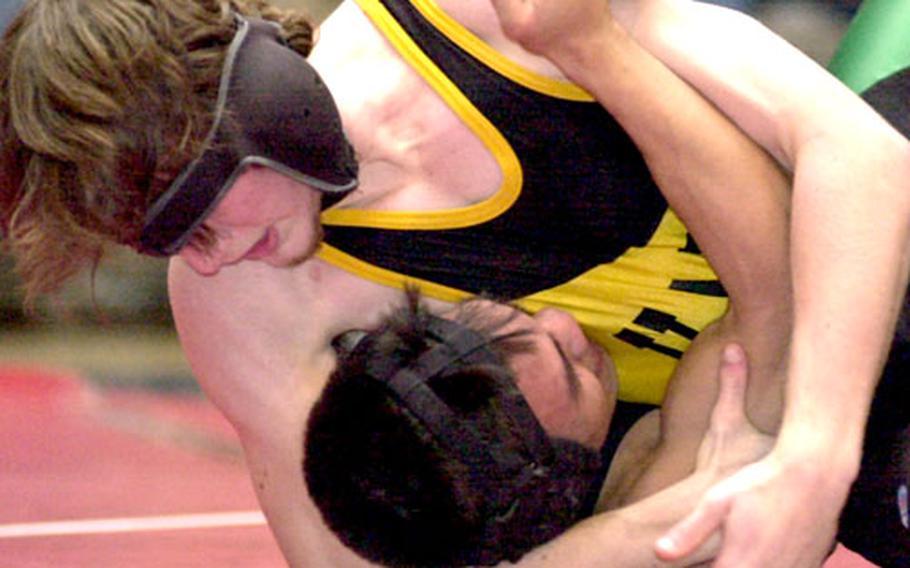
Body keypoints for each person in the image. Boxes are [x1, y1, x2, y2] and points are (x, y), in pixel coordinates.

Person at [0, 0, 906, 566]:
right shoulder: (242, 307)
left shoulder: (488, 21)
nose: (208, 261)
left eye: (197, 218)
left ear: (245, 104)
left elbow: (861, 156)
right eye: (167, 248)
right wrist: (637, 533)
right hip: (708, 431)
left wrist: (813, 458)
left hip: (850, 279)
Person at [305, 288, 909, 567]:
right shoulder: (670, 466)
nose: (569, 326)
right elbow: (773, 283)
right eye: (572, 372)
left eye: (523, 317)